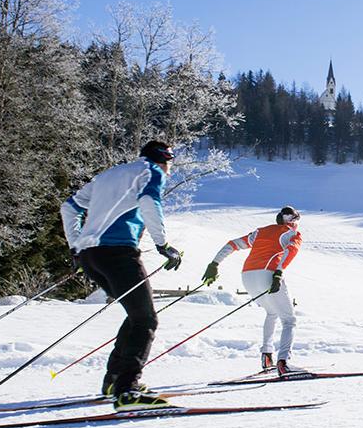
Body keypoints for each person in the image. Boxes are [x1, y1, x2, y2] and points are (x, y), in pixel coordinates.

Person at [61, 140, 184, 410]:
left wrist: (76, 245)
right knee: (146, 320)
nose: (169, 169)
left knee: (136, 315)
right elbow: (150, 201)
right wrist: (162, 244)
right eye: (171, 163)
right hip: (118, 252)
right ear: (165, 159)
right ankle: (127, 390)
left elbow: (69, 207)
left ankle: (114, 381)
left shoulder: (108, 175)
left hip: (90, 256)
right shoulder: (152, 172)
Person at [203, 206, 305, 375]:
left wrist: (214, 264)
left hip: (247, 276)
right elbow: (290, 250)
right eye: (297, 221)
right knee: (289, 320)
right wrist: (278, 273)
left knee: (271, 313)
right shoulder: (291, 233)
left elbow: (233, 244)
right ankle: (283, 362)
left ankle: (266, 357)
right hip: (269, 273)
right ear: (292, 221)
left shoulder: (260, 232)